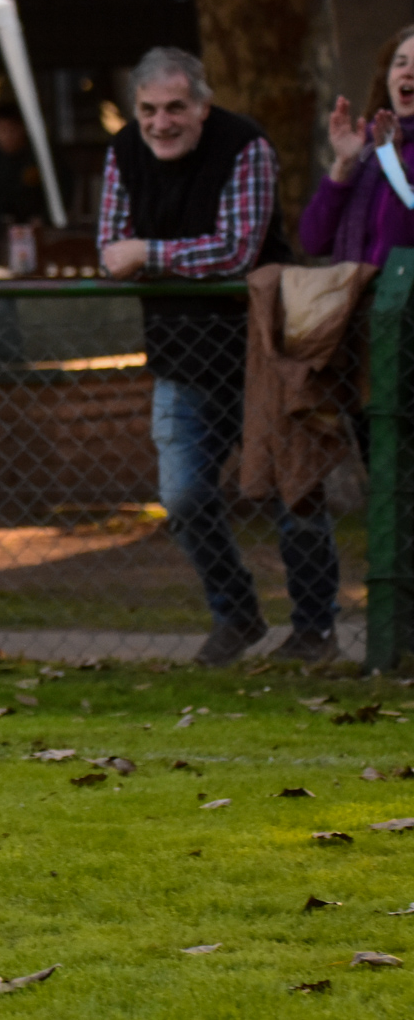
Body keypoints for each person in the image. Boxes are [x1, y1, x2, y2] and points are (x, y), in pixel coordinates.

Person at [97, 46, 340, 666]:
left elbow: (235, 251)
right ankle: (236, 615)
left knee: (297, 496)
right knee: (182, 498)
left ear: (203, 106)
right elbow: (108, 249)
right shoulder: (123, 152)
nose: (162, 122)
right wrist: (140, 254)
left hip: (267, 356)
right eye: (149, 110)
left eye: (177, 107)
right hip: (180, 361)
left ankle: (314, 631)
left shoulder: (245, 147)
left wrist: (149, 254)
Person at [300, 24, 414, 265]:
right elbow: (313, 240)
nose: (408, 72)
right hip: (357, 298)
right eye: (400, 63)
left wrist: (394, 166)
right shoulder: (369, 149)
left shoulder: (386, 151)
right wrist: (343, 166)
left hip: (402, 298)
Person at [0, 102, 69, 226]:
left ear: (22, 128)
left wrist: (44, 217)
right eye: (2, 131)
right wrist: (1, 218)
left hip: (40, 221)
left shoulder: (40, 153)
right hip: (2, 224)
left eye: (12, 130)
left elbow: (63, 186)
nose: (7, 136)